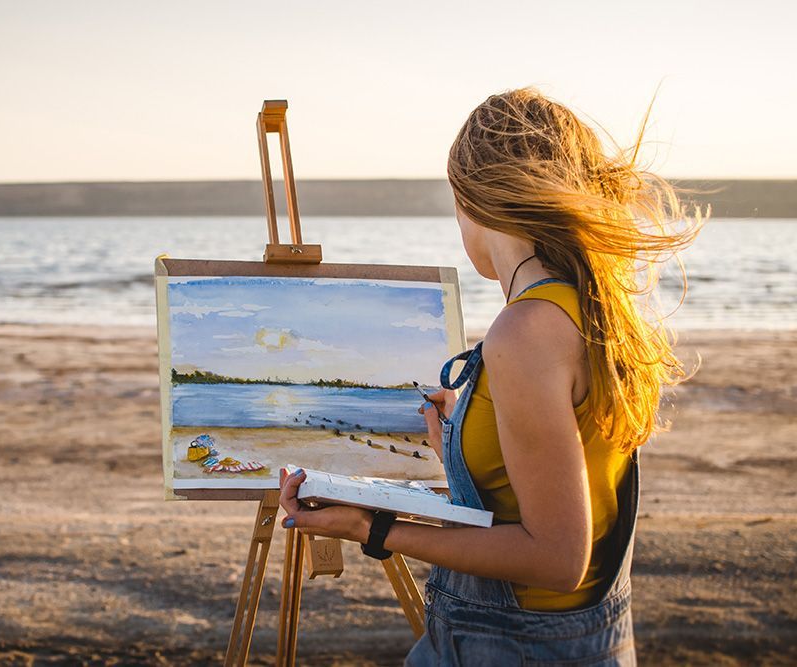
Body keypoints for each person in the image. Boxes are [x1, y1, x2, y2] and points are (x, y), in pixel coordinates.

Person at [277, 87, 704, 665]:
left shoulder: (526, 330)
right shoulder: (586, 307)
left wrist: (372, 529)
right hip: (578, 642)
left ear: (476, 202)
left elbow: (556, 557)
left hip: (515, 646)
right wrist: (460, 441)